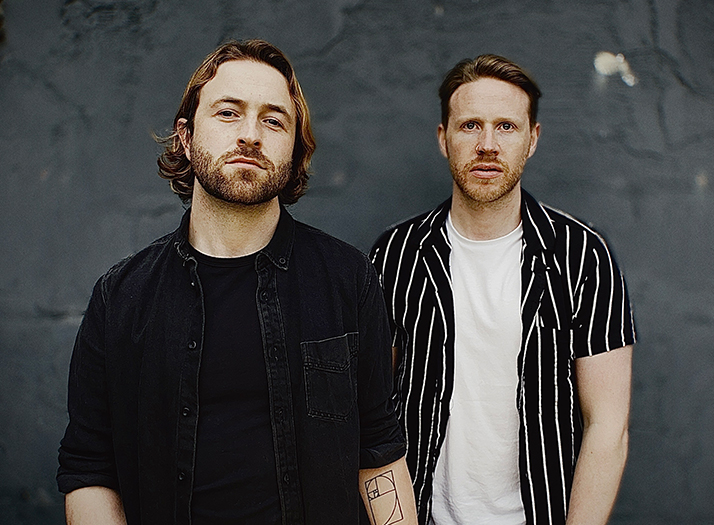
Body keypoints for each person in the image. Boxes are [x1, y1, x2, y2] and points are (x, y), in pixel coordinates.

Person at [58, 39, 416, 525]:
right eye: (228, 113)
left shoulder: (346, 279)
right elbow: (89, 469)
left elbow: (378, 448)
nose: (251, 134)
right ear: (186, 137)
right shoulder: (120, 298)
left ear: (294, 146)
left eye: (273, 120)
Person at [370, 54, 635, 524]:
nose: (487, 144)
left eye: (506, 127)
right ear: (443, 138)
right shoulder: (395, 255)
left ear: (532, 139)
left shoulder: (581, 255)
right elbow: (368, 411)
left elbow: (607, 426)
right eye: (470, 125)